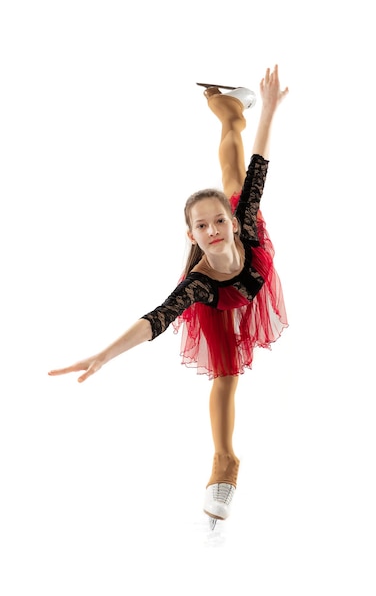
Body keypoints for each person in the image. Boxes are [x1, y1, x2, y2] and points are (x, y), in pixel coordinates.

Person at [48, 64, 289, 527]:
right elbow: (157, 319)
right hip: (221, 296)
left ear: (232, 221)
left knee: (236, 170)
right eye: (202, 226)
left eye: (219, 221)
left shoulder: (242, 222)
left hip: (249, 262)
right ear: (191, 236)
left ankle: (229, 109)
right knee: (226, 371)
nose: (214, 230)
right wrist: (103, 355)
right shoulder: (197, 282)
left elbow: (262, 162)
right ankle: (224, 461)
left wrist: (271, 109)